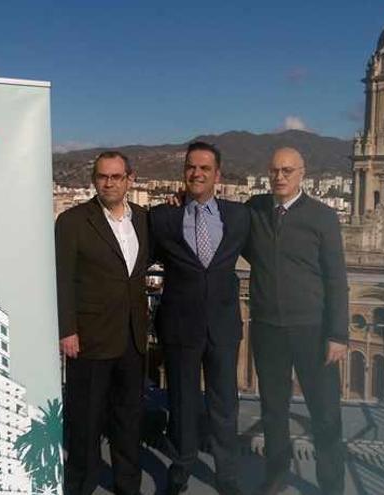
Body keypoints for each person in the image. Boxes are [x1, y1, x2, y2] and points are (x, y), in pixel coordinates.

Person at [244, 147, 349, 495]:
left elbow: (336, 278)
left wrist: (338, 334)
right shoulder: (254, 211)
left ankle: (331, 484)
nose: (280, 176)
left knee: (325, 413)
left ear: (302, 174)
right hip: (267, 328)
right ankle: (276, 476)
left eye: (288, 170)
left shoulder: (322, 217)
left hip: (313, 330)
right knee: (273, 409)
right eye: (275, 170)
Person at [150, 142, 250, 495]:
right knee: (182, 401)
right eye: (191, 167)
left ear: (217, 175)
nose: (197, 173)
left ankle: (227, 474)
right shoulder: (163, 218)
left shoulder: (239, 216)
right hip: (179, 325)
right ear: (184, 173)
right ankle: (182, 464)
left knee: (225, 402)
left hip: (223, 326)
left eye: (205, 168)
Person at [55, 151, 149, 495]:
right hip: (90, 338)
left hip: (133, 337)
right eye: (102, 176)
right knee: (86, 421)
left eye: (116, 176)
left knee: (128, 420)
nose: (109, 183)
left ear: (129, 179)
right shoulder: (72, 221)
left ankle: (128, 486)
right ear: (94, 180)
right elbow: (63, 278)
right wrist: (67, 329)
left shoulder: (142, 218)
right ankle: (80, 485)